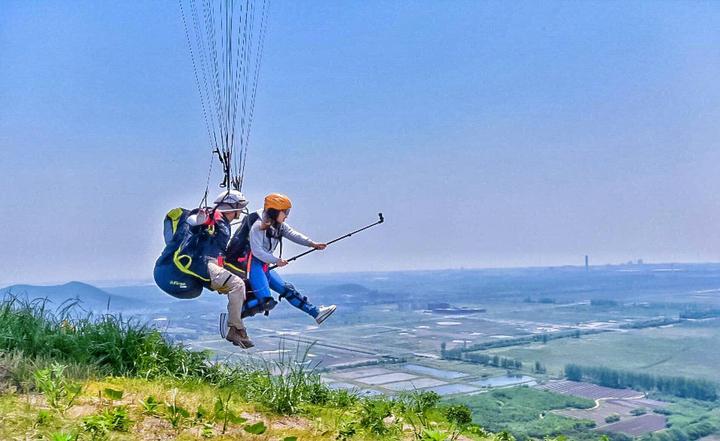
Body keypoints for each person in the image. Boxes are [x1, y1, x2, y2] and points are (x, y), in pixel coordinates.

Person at [154, 190, 254, 348]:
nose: (241, 211)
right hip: (200, 263)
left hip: (209, 262)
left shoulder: (223, 222)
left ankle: (235, 320)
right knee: (237, 285)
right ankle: (234, 329)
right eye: (240, 207)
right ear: (233, 207)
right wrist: (200, 220)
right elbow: (195, 223)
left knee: (245, 284)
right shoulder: (214, 216)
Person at [234, 193, 336, 323]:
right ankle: (234, 316)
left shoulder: (278, 225)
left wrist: (312, 244)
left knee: (288, 290)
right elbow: (257, 251)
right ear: (275, 211)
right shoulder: (258, 226)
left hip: (265, 265)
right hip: (254, 265)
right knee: (266, 302)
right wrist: (276, 260)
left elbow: (293, 234)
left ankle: (316, 313)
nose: (287, 215)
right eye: (285, 212)